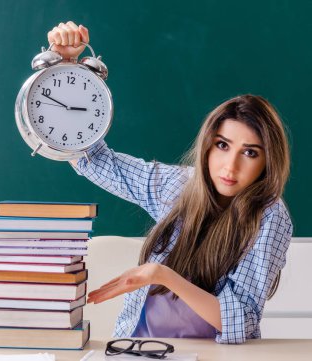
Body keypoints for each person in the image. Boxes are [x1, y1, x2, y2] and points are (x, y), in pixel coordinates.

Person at [47, 21, 293, 344]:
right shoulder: (179, 187)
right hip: (135, 349)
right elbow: (94, 160)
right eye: (222, 145)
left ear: (267, 161)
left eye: (249, 153)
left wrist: (162, 275)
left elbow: (241, 320)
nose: (230, 165)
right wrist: (67, 70)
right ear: (207, 145)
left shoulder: (270, 216)